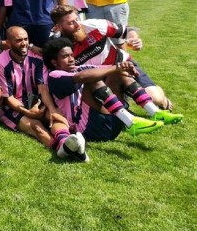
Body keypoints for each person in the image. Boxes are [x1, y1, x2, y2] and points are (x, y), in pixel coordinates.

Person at [42, 38, 183, 149]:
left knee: (118, 74)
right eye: (65, 57)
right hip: (88, 129)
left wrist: (124, 67)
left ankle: (154, 112)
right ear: (54, 62)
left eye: (72, 55)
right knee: (92, 79)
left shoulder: (80, 67)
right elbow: (83, 77)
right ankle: (131, 121)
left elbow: (108, 68)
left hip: (111, 124)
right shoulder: (55, 76)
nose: (71, 59)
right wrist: (117, 67)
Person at [50, 4, 178, 112]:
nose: (77, 24)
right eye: (70, 23)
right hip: (99, 79)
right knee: (108, 111)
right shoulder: (57, 46)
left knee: (155, 99)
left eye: (77, 19)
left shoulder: (94, 25)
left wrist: (134, 39)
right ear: (58, 27)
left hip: (124, 65)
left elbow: (128, 30)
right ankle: (124, 96)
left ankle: (160, 97)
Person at [0, 27, 84, 160]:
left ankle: (66, 142)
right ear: (9, 43)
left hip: (35, 101)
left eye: (25, 39)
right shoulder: (0, 63)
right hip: (13, 105)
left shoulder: (36, 58)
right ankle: (61, 147)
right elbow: (8, 98)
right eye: (19, 40)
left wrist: (51, 109)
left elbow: (42, 88)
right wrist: (28, 112)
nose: (24, 43)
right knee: (37, 127)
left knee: (55, 116)